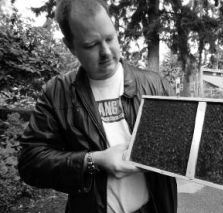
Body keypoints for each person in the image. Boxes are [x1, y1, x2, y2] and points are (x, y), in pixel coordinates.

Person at [18, 0, 177, 212]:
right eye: (91, 45)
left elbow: (181, 147)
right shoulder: (56, 93)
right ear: (71, 46)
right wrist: (93, 160)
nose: (106, 53)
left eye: (110, 38)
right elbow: (30, 162)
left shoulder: (156, 85)